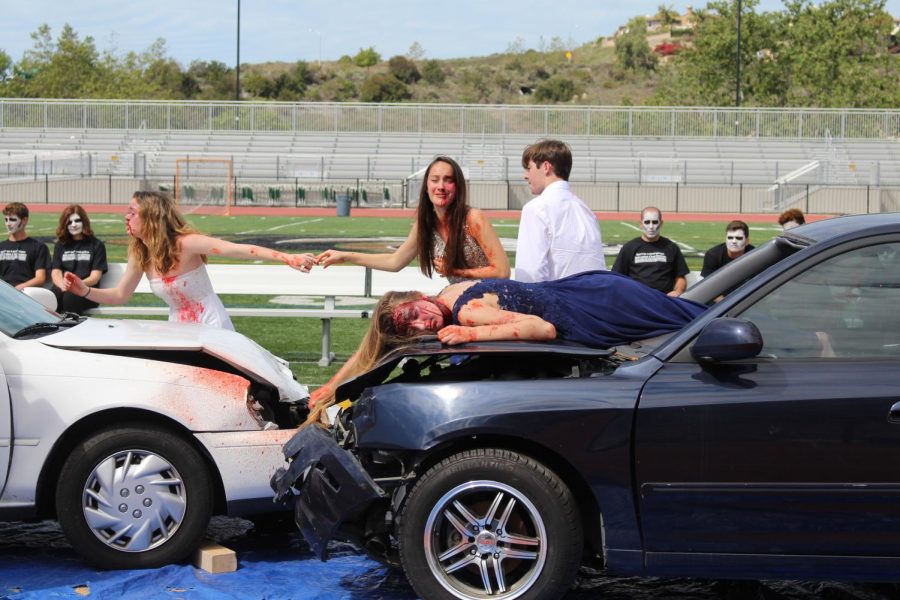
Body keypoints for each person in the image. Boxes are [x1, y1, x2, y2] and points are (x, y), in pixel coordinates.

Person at [308, 270, 706, 420]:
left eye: (412, 312)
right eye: (407, 327)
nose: (420, 324)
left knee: (701, 327)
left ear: (415, 295)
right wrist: (334, 385)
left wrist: (471, 335)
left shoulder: (465, 314)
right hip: (595, 289)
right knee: (696, 317)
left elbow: (542, 330)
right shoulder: (449, 291)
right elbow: (372, 349)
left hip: (600, 308)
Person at [62, 191, 316, 330]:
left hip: (211, 325)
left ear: (150, 217)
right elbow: (119, 295)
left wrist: (288, 257)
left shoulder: (186, 243)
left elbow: (238, 250)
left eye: (132, 212)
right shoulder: (139, 252)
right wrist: (84, 290)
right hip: (178, 328)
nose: (126, 217)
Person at [316, 156, 509, 283]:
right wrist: (346, 256)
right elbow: (395, 261)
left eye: (448, 180)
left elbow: (502, 272)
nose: (441, 186)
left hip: (490, 298)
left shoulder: (473, 218)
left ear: (458, 187)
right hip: (460, 298)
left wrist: (457, 271)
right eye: (435, 180)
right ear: (426, 186)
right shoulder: (426, 224)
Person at [514, 139, 605, 282]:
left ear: (546, 167)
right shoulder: (586, 211)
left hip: (558, 299)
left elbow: (530, 274)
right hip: (590, 298)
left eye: (529, 168)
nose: (526, 175)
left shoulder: (536, 208)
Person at [612, 206, 689, 296]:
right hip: (637, 298)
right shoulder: (629, 247)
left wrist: (677, 291)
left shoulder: (671, 247)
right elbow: (617, 276)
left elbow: (681, 277)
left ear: (661, 223)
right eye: (647, 222)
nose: (651, 226)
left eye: (655, 222)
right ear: (641, 224)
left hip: (664, 299)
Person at [50, 205, 108, 314]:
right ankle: (52, 329)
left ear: (84, 222)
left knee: (70, 297)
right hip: (65, 287)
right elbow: (56, 271)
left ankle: (74, 328)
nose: (73, 225)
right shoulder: (60, 245)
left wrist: (76, 285)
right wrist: (62, 284)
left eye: (77, 221)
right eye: (69, 222)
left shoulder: (96, 245)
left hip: (87, 290)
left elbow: (95, 277)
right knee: (52, 297)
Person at [0, 202, 50, 290]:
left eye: (12, 219)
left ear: (24, 221)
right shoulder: (1, 246)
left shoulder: (38, 247)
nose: (8, 224)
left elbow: (40, 278)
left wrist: (22, 287)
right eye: (6, 220)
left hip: (26, 294)